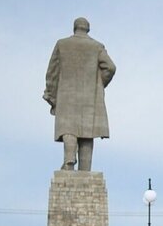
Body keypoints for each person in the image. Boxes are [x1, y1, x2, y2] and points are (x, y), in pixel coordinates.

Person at [43, 17, 116, 171]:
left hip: (66, 95)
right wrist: (99, 83)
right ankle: (85, 169)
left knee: (69, 128)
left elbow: (52, 72)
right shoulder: (96, 47)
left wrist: (51, 94)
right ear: (87, 29)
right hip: (90, 97)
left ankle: (69, 160)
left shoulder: (62, 44)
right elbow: (110, 67)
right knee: (87, 132)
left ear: (74, 28)